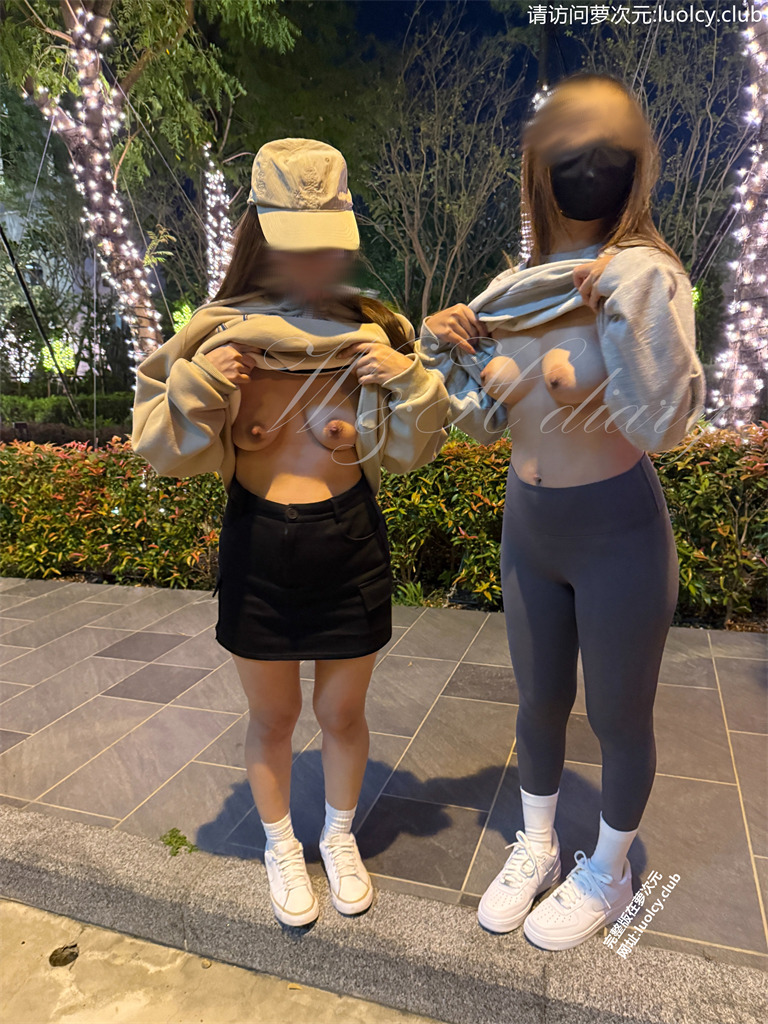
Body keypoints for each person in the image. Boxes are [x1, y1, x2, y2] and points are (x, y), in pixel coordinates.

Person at [416, 72, 705, 951]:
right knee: (538, 701)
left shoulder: (649, 277)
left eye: (606, 142)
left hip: (618, 530)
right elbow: (479, 425)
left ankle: (610, 871)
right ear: (538, 165)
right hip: (530, 529)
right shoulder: (512, 291)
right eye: (569, 141)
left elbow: (665, 422)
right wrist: (449, 349)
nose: (587, 159)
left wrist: (623, 295)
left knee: (618, 714)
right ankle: (537, 843)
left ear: (635, 162)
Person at [131, 138, 450, 928]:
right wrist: (201, 385)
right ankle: (281, 843)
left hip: (350, 539)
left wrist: (407, 383)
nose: (312, 265)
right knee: (272, 718)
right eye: (292, 245)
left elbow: (414, 450)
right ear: (259, 236)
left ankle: (337, 835)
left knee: (342, 714)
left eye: (324, 247)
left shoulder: (372, 332)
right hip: (258, 540)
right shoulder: (217, 338)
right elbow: (161, 451)